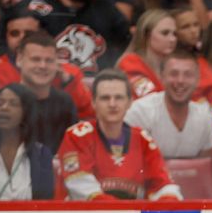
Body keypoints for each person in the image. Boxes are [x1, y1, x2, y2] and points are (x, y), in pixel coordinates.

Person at [56, 68, 182, 201]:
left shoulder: (142, 139)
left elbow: (163, 184)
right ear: (93, 102)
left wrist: (169, 202)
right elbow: (81, 187)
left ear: (129, 103)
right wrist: (121, 212)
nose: (112, 104)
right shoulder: (77, 136)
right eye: (105, 98)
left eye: (119, 98)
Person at [0, 9, 94, 118]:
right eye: (14, 33)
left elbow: (89, 117)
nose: (21, 38)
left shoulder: (70, 73)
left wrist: (68, 83)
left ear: (43, 34)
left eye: (28, 33)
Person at [0, 32, 78, 154]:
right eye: (35, 59)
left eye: (49, 60)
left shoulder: (66, 103)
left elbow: (71, 153)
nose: (43, 66)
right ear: (19, 60)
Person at [0, 0, 132, 73]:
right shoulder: (34, 6)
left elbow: (129, 49)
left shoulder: (106, 10)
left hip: (94, 89)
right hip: (40, 86)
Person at [0, 83, 54, 200]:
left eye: (13, 104)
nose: (4, 108)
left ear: (26, 112)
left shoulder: (42, 154)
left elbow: (45, 205)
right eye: (0, 103)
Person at [125, 49, 212, 158]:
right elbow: (131, 166)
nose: (180, 80)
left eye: (188, 75)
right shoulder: (139, 112)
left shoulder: (204, 116)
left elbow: (204, 167)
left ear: (197, 80)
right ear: (161, 77)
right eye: (174, 74)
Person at [117, 9, 177, 99]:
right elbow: (149, 100)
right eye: (165, 33)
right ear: (147, 35)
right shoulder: (130, 63)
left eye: (174, 34)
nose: (172, 39)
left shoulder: (172, 66)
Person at [171, 6, 212, 106]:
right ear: (174, 32)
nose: (193, 31)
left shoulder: (202, 58)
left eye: (196, 25)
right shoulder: (171, 64)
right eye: (185, 27)